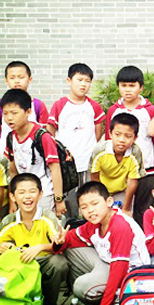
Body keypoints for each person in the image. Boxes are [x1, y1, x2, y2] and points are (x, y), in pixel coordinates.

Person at [53, 181, 150, 305]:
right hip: (109, 264)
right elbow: (71, 238)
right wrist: (59, 242)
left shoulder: (120, 226)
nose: (90, 210)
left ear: (109, 202)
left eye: (95, 204)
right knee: (70, 249)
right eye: (84, 207)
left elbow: (118, 271)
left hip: (132, 276)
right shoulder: (96, 222)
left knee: (81, 286)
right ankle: (92, 302)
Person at [0, 173, 69, 305]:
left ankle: (49, 302)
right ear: (12, 197)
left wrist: (41, 247)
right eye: (21, 192)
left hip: (42, 262)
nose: (27, 196)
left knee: (59, 263)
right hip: (19, 263)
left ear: (40, 194)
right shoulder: (9, 220)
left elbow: (56, 245)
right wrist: (1, 247)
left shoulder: (47, 216)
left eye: (32, 191)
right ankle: (7, 300)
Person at [48, 63, 105, 218]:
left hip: (88, 163)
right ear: (69, 80)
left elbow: (98, 131)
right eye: (79, 80)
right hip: (67, 165)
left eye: (87, 81)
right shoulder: (60, 105)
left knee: (89, 198)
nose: (83, 84)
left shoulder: (94, 106)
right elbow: (50, 132)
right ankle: (71, 228)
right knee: (69, 203)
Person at [2, 88, 65, 217]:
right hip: (22, 195)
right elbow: (13, 171)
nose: (9, 118)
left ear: (28, 112)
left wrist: (59, 199)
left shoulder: (42, 136)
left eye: (14, 113)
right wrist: (12, 200)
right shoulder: (11, 137)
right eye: (5, 113)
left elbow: (55, 168)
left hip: (44, 194)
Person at [104, 66, 154, 176]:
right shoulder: (113, 110)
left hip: (146, 167)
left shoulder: (150, 110)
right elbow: (109, 139)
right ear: (118, 86)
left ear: (141, 87)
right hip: (121, 168)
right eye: (123, 86)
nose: (127, 90)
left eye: (132, 86)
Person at [0, 61, 48, 155]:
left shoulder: (38, 105)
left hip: (32, 157)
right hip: (5, 156)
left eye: (21, 77)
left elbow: (45, 133)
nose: (17, 81)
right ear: (6, 81)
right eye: (12, 78)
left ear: (30, 79)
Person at [89, 112, 144, 215]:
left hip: (123, 191)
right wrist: (102, 198)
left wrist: (126, 208)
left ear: (135, 138)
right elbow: (94, 177)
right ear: (110, 134)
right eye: (117, 134)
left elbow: (132, 182)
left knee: (123, 217)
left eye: (128, 136)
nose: (122, 140)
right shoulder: (99, 150)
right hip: (102, 189)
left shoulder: (135, 152)